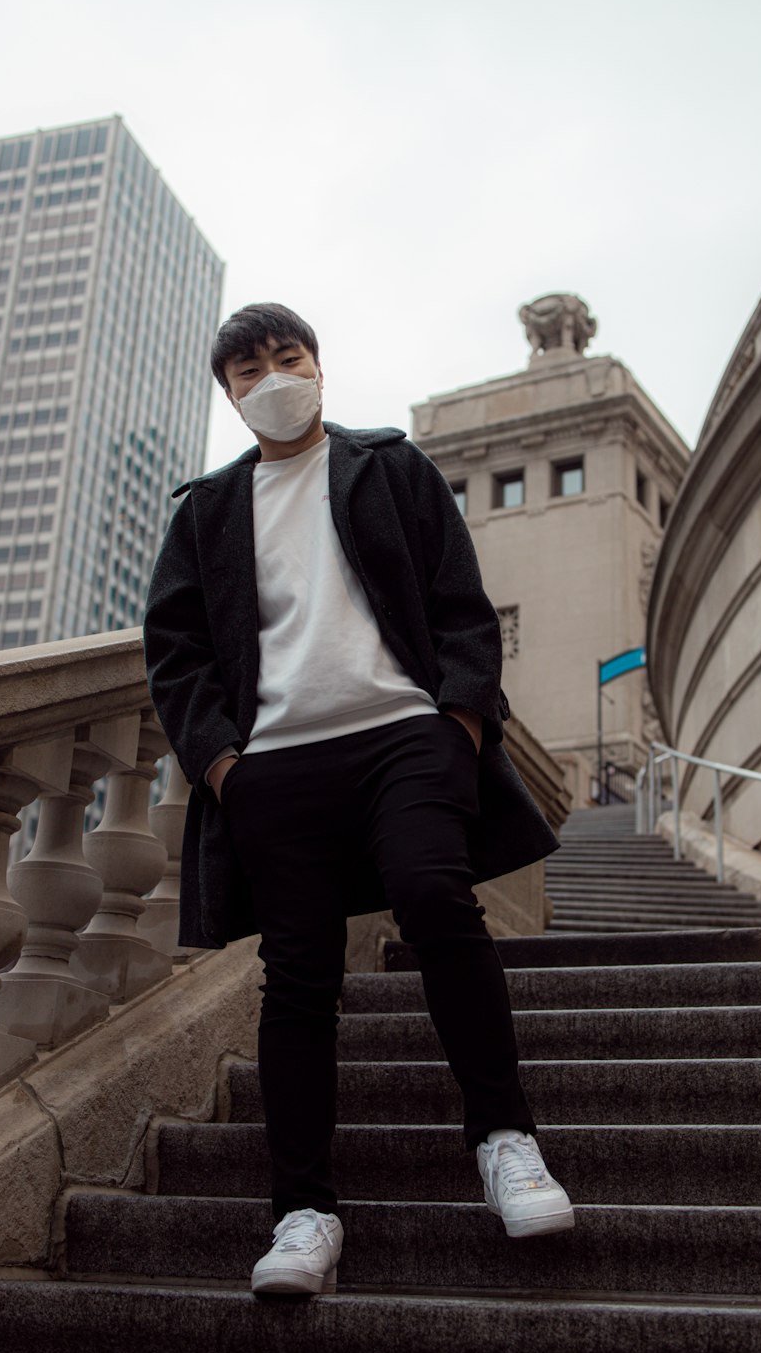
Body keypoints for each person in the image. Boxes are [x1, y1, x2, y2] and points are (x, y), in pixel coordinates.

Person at [143, 302, 574, 1297]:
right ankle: (303, 1212)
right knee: (297, 972)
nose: (274, 374)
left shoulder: (391, 467)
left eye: (289, 356)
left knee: (434, 898)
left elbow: (461, 599)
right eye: (250, 367)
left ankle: (507, 1142)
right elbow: (176, 654)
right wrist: (222, 768)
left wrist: (461, 724)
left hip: (403, 733)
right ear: (231, 392)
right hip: (274, 765)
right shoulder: (205, 511)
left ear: (320, 369)